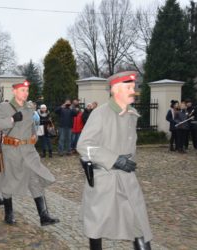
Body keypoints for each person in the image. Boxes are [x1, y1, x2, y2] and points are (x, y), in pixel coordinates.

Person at [77, 71, 152, 250]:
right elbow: (84, 145)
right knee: (97, 226)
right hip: (105, 180)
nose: (133, 91)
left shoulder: (132, 114)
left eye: (133, 87)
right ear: (115, 90)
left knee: (139, 222)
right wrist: (114, 160)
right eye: (129, 87)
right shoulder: (100, 114)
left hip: (127, 179)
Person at [0, 80, 59, 227]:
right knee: (8, 181)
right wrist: (12, 119)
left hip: (28, 151)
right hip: (11, 151)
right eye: (22, 90)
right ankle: (8, 214)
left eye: (27, 91)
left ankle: (43, 215)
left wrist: (34, 135)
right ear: (14, 91)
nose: (25, 93)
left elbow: (32, 126)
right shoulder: (4, 107)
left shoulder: (29, 108)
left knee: (34, 179)